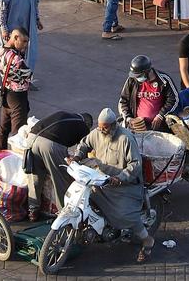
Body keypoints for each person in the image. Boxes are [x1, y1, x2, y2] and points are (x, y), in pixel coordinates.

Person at [69, 108, 155, 262]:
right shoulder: (97, 133)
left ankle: (146, 238)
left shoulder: (126, 138)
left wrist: (120, 177)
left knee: (125, 215)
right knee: (85, 196)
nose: (102, 130)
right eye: (100, 127)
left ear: (114, 125)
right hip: (102, 179)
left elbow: (135, 164)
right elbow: (84, 144)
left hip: (124, 185)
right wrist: (76, 156)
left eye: (105, 127)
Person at [23, 110, 93, 220]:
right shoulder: (83, 126)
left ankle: (33, 211)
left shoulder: (67, 115)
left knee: (35, 178)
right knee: (60, 179)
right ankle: (63, 213)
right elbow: (83, 148)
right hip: (50, 144)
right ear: (88, 124)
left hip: (31, 139)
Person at [118, 54, 178, 131]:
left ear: (147, 71)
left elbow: (174, 99)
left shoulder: (164, 80)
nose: (137, 78)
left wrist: (161, 115)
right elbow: (123, 100)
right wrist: (128, 118)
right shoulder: (132, 80)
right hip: (137, 126)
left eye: (139, 75)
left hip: (159, 126)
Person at [0, 26, 32, 150]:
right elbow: (28, 75)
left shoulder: (1, 50)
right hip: (17, 97)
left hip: (6, 92)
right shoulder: (16, 58)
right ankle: (14, 160)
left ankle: (1, 154)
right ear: (15, 38)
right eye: (24, 41)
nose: (25, 45)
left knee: (3, 128)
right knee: (18, 132)